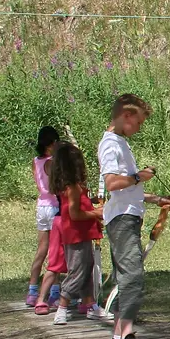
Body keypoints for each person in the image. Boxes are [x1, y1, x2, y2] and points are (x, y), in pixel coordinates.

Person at [99, 93, 170, 339]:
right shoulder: (110, 144)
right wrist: (139, 176)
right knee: (132, 278)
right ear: (126, 116)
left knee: (126, 279)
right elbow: (112, 184)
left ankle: (123, 336)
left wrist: (154, 198)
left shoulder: (119, 142)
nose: (138, 128)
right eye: (138, 123)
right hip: (121, 220)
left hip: (127, 215)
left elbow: (126, 190)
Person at [47, 140, 105, 326]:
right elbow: (74, 214)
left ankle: (90, 304)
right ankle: (62, 306)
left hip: (81, 233)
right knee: (78, 271)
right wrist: (96, 213)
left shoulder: (75, 187)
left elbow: (80, 206)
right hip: (75, 234)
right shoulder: (72, 188)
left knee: (87, 268)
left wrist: (93, 204)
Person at [26, 126, 60, 308]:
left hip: (42, 206)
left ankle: (32, 290)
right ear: (52, 143)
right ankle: (54, 292)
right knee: (55, 252)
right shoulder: (52, 162)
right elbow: (56, 187)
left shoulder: (35, 161)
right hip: (54, 207)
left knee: (41, 250)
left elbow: (39, 184)